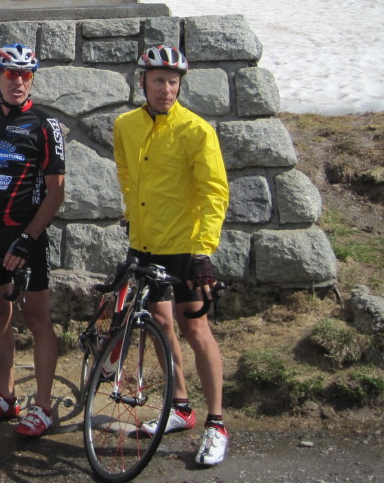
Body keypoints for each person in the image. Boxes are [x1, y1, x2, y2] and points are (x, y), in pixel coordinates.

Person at [112, 45, 230, 467]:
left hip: (185, 247)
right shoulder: (125, 125)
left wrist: (203, 251)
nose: (167, 89)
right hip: (145, 245)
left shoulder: (196, 130)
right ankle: (180, 406)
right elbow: (125, 171)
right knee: (160, 324)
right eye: (159, 81)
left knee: (196, 329)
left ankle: (217, 424)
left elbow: (215, 192)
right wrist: (131, 216)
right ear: (141, 81)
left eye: (174, 82)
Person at [0, 43, 66, 438]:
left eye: (25, 75)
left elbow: (56, 193)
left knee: (37, 319)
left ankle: (42, 406)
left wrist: (28, 238)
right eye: (10, 75)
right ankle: (5, 396)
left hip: (27, 236)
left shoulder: (45, 125)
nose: (18, 81)